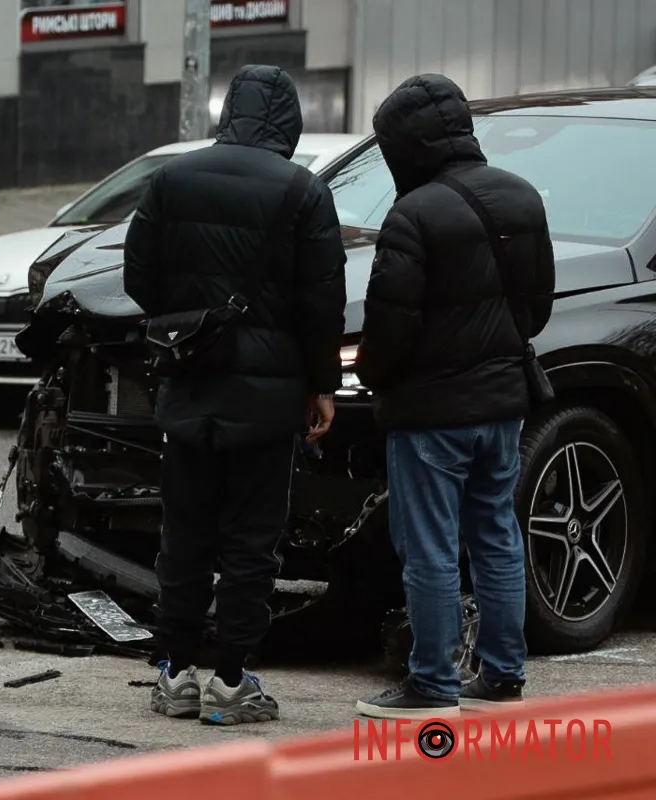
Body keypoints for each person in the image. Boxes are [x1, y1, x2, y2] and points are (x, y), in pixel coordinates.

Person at [123, 64, 347, 726]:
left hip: (190, 384)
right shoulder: (304, 191)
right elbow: (321, 304)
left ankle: (173, 672)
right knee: (252, 540)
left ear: (230, 115)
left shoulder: (172, 179)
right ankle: (229, 680)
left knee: (184, 533)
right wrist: (322, 386)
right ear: (290, 121)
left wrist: (186, 321)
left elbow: (138, 275)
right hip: (269, 399)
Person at [352, 74, 555, 719]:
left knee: (431, 547)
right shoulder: (522, 197)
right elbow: (538, 307)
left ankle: (432, 682)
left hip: (431, 414)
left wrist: (376, 381)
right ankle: (503, 676)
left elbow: (388, 326)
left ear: (403, 147)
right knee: (496, 534)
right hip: (502, 405)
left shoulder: (412, 215)